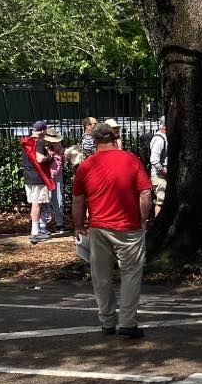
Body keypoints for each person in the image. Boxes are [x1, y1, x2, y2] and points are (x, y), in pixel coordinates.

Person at [71, 121, 152, 339]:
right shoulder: (130, 159)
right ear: (114, 137)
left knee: (101, 276)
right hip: (128, 227)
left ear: (94, 140)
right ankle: (127, 322)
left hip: (98, 227)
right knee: (131, 273)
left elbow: (78, 200)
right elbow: (145, 193)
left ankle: (107, 320)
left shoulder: (86, 166)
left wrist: (78, 225)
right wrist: (143, 219)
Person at [21, 120, 54, 244]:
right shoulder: (39, 142)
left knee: (35, 203)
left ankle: (37, 229)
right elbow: (40, 159)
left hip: (28, 176)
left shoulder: (27, 141)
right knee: (37, 204)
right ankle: (35, 232)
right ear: (43, 130)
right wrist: (49, 156)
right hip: (38, 178)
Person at [44, 128, 66, 234]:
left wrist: (60, 152)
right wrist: (50, 153)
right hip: (47, 176)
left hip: (57, 176)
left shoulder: (60, 148)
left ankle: (59, 223)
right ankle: (44, 224)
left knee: (58, 198)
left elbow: (63, 160)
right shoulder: (44, 149)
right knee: (46, 200)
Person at [149, 117, 168, 217]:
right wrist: (163, 171)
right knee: (161, 201)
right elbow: (154, 160)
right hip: (159, 176)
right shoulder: (159, 139)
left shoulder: (163, 137)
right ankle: (157, 221)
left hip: (162, 175)